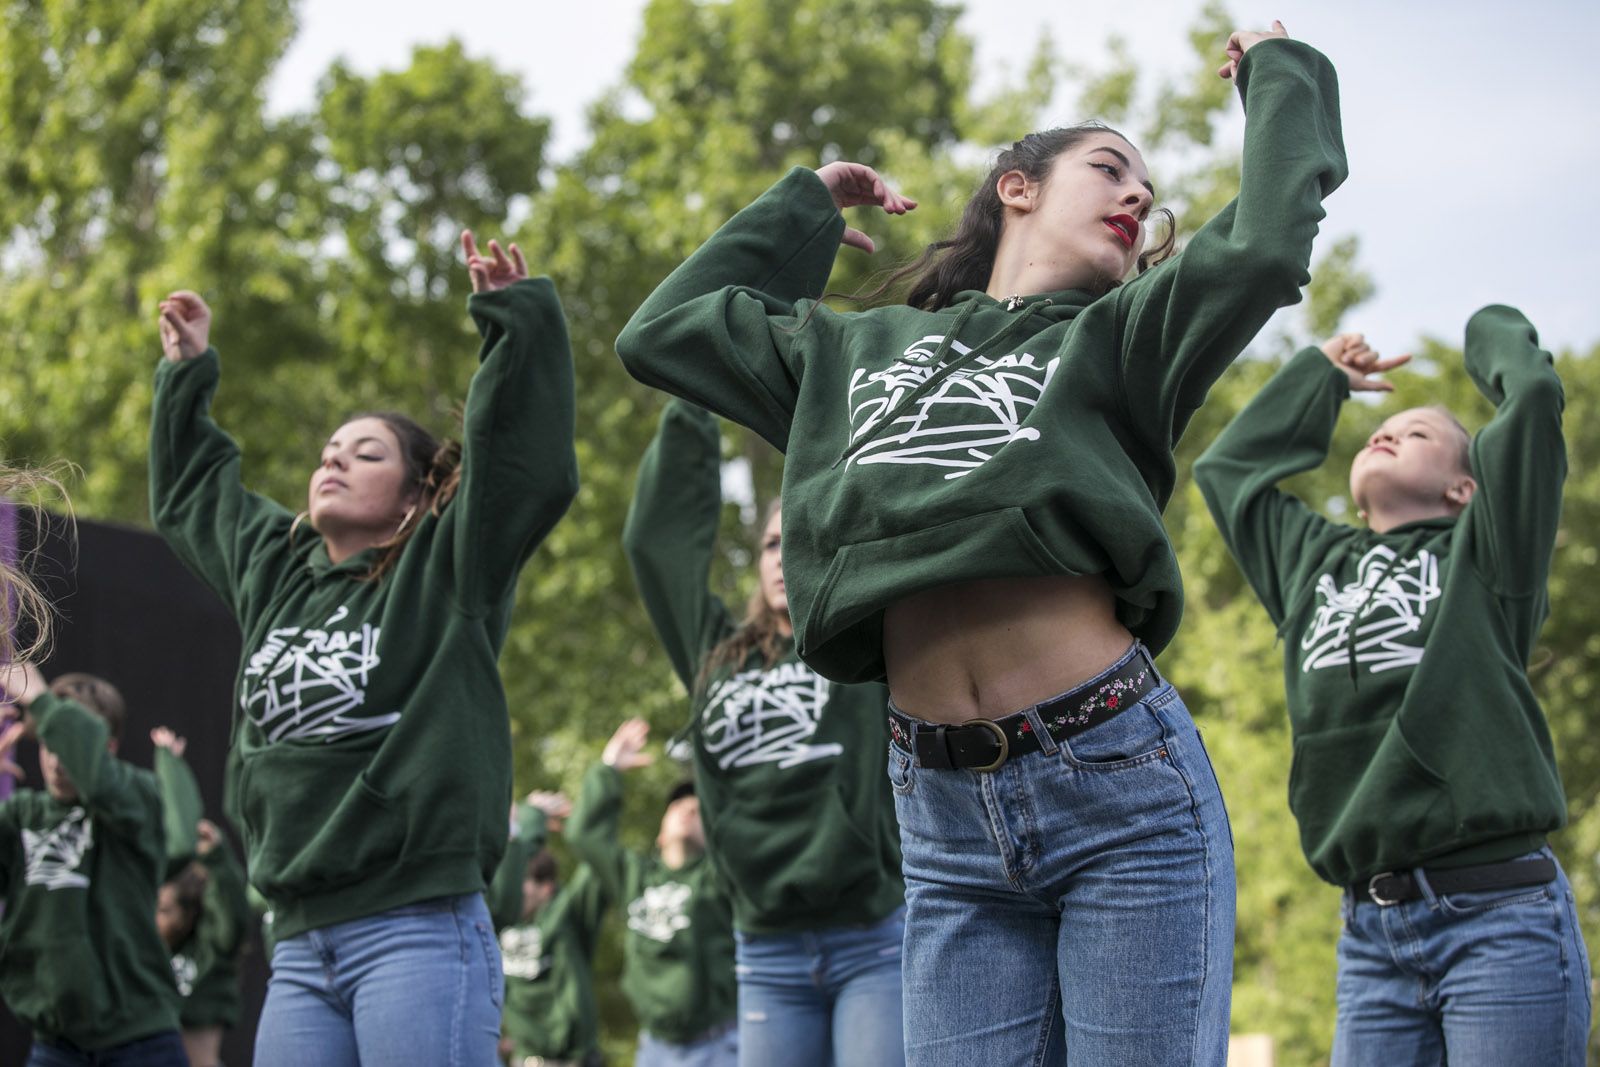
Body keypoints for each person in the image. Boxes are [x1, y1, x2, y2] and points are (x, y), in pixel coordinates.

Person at [615, 21, 1345, 1065]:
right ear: (1017, 186)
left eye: (1150, 198)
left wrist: (1279, 75)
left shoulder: (1124, 338)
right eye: (1108, 168)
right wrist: (801, 211)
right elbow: (663, 331)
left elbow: (1269, 241)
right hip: (941, 818)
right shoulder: (847, 351)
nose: (1138, 200)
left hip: (1119, 785)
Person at [148, 231, 578, 1065]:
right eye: (327, 452)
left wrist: (514, 324)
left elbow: (526, 471)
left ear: (419, 493)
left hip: (416, 926)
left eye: (366, 451)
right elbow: (193, 495)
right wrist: (187, 372)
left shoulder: (446, 565)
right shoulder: (277, 568)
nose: (334, 459)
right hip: (301, 947)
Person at [1192, 310, 1590, 1065]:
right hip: (1371, 937)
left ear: (1465, 488)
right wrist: (1320, 378)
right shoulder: (1311, 561)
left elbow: (1533, 397)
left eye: (1418, 434)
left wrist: (1484, 328)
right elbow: (1228, 471)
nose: (1387, 433)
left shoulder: (1488, 553)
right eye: (1384, 427)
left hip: (1499, 918)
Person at [621, 400, 906, 1067]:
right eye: (774, 543)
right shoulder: (715, 651)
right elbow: (656, 544)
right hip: (764, 949)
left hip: (872, 934)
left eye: (804, 538)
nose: (785, 557)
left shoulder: (865, 638)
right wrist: (691, 401)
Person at [0, 666, 186, 1066]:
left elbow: (102, 783)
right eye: (51, 742)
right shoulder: (21, 814)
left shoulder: (137, 795)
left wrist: (43, 702)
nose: (58, 760)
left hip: (141, 1040)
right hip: (55, 1045)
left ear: (110, 747)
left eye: (70, 742)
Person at [565, 718, 737, 1067]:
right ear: (659, 833)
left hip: (722, 1044)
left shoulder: (717, 876)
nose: (688, 809)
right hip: (655, 1048)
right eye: (677, 806)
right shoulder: (634, 876)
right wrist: (608, 770)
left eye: (698, 808)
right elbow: (584, 835)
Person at [150, 727, 253, 1067]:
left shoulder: (212, 947)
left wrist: (217, 859)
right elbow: (177, 828)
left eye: (165, 910)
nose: (156, 919)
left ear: (188, 913)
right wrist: (169, 763)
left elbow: (232, 912)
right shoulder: (154, 951)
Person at [488, 791, 609, 1067]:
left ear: (546, 888)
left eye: (525, 883)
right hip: (526, 1060)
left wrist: (587, 812)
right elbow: (510, 863)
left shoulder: (567, 915)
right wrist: (531, 815)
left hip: (575, 1060)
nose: (515, 889)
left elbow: (597, 861)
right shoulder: (501, 922)